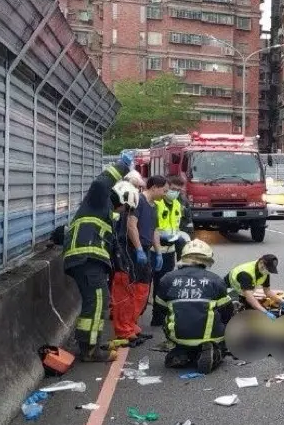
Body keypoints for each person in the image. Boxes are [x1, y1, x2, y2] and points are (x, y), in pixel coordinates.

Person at [62, 152, 137, 362]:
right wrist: (122, 166)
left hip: (88, 259)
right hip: (86, 257)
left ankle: (90, 343)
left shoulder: (103, 213)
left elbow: (113, 247)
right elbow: (99, 184)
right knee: (96, 302)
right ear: (122, 198)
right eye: (126, 207)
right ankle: (89, 349)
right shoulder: (98, 201)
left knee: (97, 301)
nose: (124, 211)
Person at [156, 240, 234, 373]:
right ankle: (215, 352)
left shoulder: (167, 279)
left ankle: (182, 352)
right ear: (206, 260)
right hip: (210, 336)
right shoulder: (215, 279)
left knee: (170, 321)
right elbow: (227, 311)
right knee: (224, 328)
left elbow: (160, 308)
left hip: (178, 335)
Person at [111, 175, 168, 344]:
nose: (165, 194)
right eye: (164, 190)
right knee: (127, 290)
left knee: (141, 290)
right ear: (154, 187)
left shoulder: (154, 206)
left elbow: (154, 230)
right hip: (131, 251)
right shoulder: (138, 201)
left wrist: (158, 252)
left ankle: (131, 324)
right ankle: (124, 330)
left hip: (145, 250)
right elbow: (131, 225)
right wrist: (138, 249)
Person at [150, 175, 191, 329]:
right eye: (173, 189)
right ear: (166, 188)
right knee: (149, 284)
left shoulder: (177, 205)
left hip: (169, 251)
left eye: (178, 190)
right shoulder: (156, 204)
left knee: (164, 284)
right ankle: (147, 315)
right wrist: (163, 237)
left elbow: (179, 226)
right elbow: (151, 228)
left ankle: (159, 316)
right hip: (154, 250)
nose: (175, 193)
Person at [225, 254, 282, 318]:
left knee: (254, 309)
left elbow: (267, 291)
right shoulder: (246, 274)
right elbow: (249, 298)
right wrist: (265, 312)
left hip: (243, 290)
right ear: (261, 262)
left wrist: (283, 302)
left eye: (270, 270)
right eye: (268, 269)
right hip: (229, 291)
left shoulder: (264, 272)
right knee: (230, 313)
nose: (268, 272)